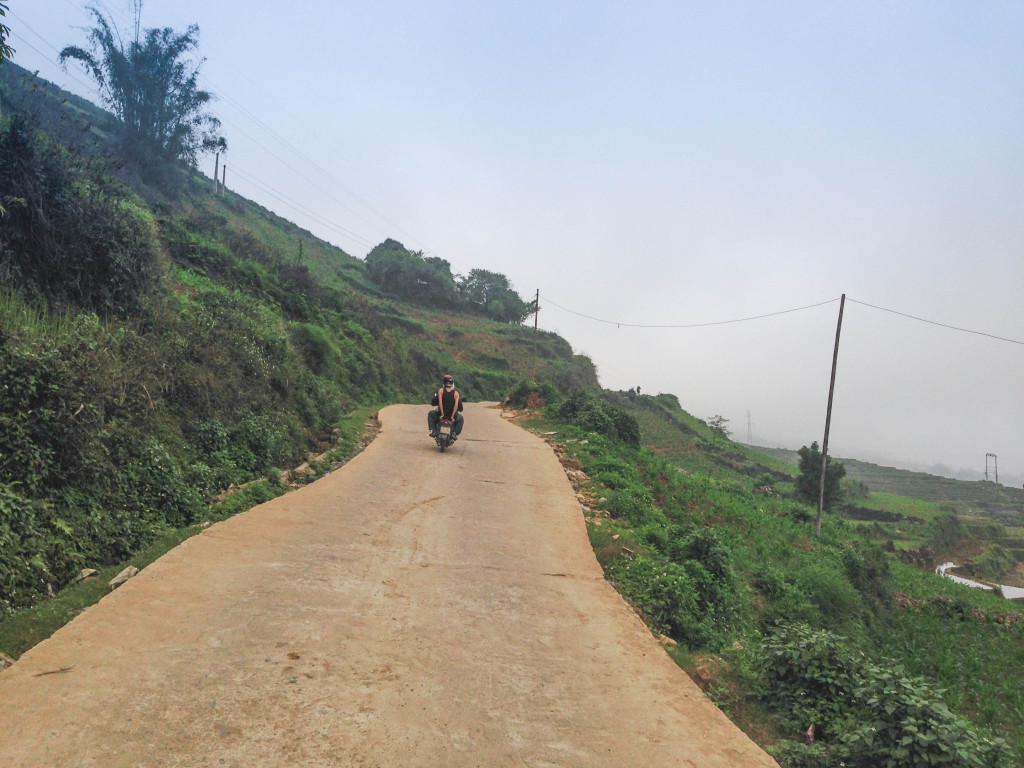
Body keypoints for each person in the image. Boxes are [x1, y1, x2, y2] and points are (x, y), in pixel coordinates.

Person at [428, 374, 465, 440]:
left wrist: (442, 414)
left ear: (444, 383)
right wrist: (452, 417)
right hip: (452, 416)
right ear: (452, 384)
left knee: (431, 414)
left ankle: (434, 431)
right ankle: (454, 433)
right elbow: (456, 406)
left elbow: (440, 402)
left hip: (441, 414)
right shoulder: (456, 393)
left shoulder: (441, 391)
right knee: (461, 419)